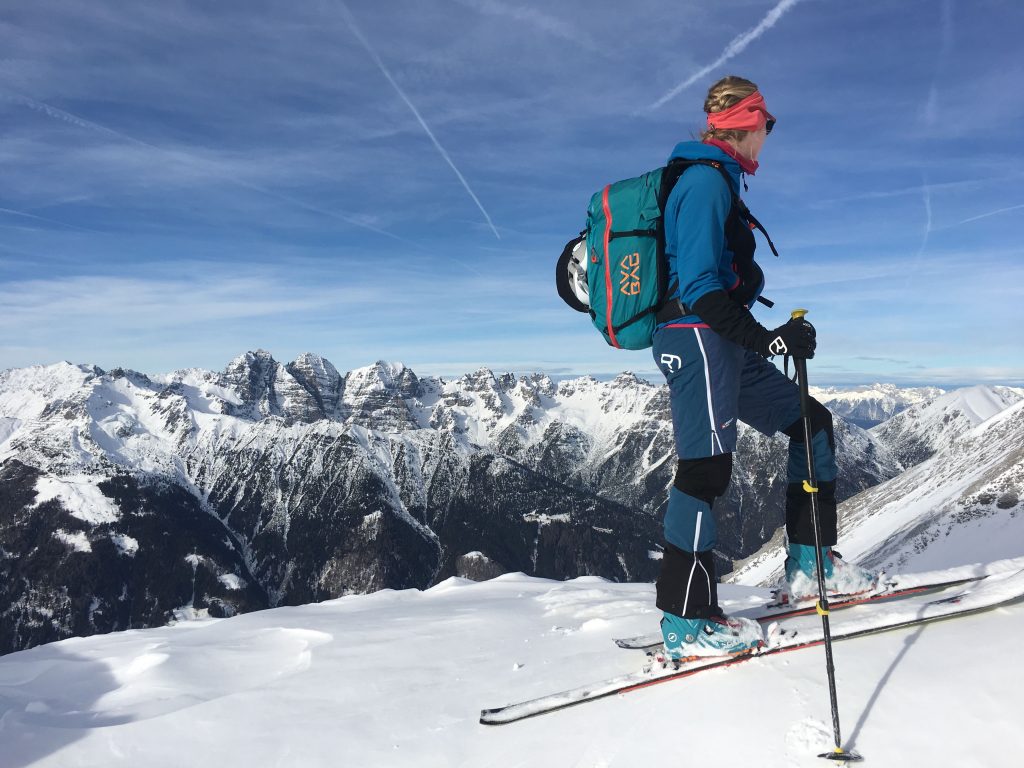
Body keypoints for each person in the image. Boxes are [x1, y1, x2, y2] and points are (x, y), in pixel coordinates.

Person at [652, 75, 876, 660]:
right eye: (765, 125)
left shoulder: (719, 181)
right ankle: (686, 618)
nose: (767, 136)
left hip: (724, 341)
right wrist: (771, 340)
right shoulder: (703, 183)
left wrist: (764, 339)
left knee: (812, 423)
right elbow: (700, 285)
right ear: (742, 124)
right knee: (703, 473)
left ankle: (810, 564)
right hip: (699, 339)